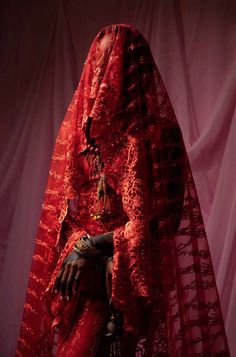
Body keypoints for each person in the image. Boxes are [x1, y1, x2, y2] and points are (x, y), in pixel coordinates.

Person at [16, 24, 230, 356]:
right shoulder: (85, 136)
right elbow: (65, 215)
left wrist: (94, 250)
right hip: (86, 281)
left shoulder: (160, 138)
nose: (104, 76)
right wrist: (79, 250)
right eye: (99, 65)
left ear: (133, 70)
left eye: (113, 65)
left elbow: (164, 223)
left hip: (127, 276)